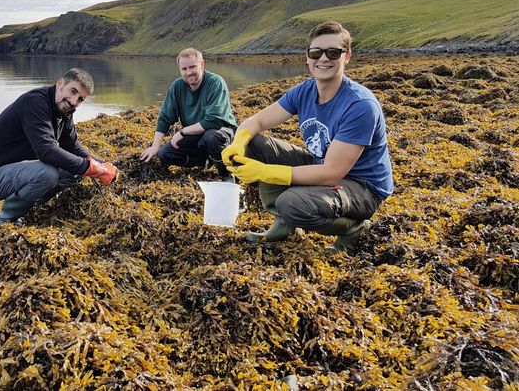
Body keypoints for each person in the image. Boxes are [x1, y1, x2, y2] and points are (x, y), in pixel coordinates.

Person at [222, 21, 393, 253]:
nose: (323, 59)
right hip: (322, 164)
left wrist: (263, 172)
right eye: (316, 52)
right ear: (307, 57)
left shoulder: (360, 105)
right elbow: (258, 121)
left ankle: (353, 228)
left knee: (291, 203)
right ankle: (283, 224)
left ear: (347, 56)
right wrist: (237, 143)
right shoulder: (305, 90)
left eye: (333, 52)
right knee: (254, 144)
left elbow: (332, 173)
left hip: (362, 187)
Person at [0, 68, 117, 226]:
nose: (74, 101)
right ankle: (6, 220)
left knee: (75, 169)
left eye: (80, 99)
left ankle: (33, 206)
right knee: (48, 174)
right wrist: (91, 168)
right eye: (73, 91)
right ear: (60, 83)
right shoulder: (35, 102)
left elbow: (72, 146)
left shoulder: (64, 109)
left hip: (14, 170)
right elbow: (46, 151)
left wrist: (102, 165)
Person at [140, 48, 237, 180]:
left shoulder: (215, 82)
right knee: (165, 154)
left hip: (221, 131)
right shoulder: (177, 87)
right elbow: (165, 118)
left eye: (193, 67)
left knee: (211, 138)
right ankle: (206, 161)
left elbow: (214, 121)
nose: (189, 72)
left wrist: (182, 132)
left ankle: (226, 172)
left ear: (202, 65)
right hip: (196, 135)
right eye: (184, 69)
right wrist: (155, 146)